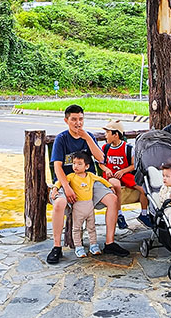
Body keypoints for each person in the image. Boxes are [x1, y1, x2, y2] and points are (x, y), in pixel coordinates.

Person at [46, 104, 128, 264]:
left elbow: (101, 158)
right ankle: (57, 247)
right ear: (66, 120)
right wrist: (66, 187)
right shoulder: (61, 139)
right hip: (66, 181)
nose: (78, 123)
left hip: (88, 181)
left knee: (112, 199)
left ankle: (110, 243)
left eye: (81, 119)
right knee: (59, 204)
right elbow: (57, 167)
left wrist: (87, 138)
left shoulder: (88, 136)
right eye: (74, 120)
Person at [57, 150, 111, 259]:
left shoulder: (90, 176)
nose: (75, 166)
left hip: (90, 207)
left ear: (86, 166)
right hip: (78, 208)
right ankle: (78, 247)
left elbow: (101, 180)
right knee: (77, 228)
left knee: (92, 227)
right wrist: (55, 189)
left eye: (79, 164)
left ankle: (94, 245)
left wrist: (110, 187)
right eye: (74, 163)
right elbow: (60, 182)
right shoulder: (71, 177)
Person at [99, 120, 145, 228]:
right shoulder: (105, 148)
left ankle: (144, 213)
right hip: (111, 175)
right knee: (116, 185)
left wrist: (123, 171)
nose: (105, 135)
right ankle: (119, 214)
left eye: (108, 133)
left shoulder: (128, 148)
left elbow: (133, 165)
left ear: (115, 134)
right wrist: (106, 170)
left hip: (124, 174)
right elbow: (101, 164)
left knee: (143, 189)